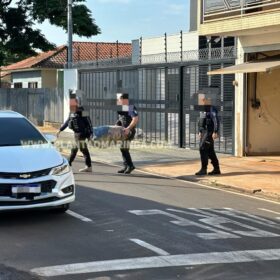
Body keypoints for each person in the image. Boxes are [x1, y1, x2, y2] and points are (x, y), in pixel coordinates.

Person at [57, 104, 93, 172]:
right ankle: (88, 166)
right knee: (78, 149)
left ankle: (68, 165)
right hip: (76, 134)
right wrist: (60, 130)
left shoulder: (83, 112)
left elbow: (89, 123)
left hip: (82, 134)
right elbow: (67, 122)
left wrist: (91, 134)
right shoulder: (72, 113)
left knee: (79, 150)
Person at [195, 94, 221, 176]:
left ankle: (203, 169)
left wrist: (215, 131)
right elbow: (201, 120)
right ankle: (216, 169)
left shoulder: (211, 108)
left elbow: (216, 120)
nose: (200, 102)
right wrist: (200, 131)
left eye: (202, 100)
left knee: (202, 148)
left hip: (209, 132)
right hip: (204, 132)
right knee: (210, 150)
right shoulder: (203, 109)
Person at [116, 93, 139, 174]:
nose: (117, 101)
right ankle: (126, 166)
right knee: (123, 148)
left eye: (118, 99)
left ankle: (130, 166)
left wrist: (128, 128)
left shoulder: (130, 107)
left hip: (129, 131)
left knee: (124, 148)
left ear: (123, 99)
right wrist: (117, 126)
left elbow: (135, 119)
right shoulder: (122, 108)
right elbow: (121, 119)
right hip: (123, 131)